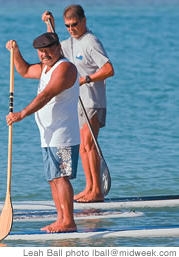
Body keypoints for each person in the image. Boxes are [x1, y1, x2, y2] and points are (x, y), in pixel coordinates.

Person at [6, 32, 80, 233]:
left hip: (64, 135)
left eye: (48, 50)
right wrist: (16, 52)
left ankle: (69, 221)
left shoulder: (64, 68)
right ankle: (61, 218)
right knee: (53, 178)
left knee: (61, 176)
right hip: (48, 135)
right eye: (41, 52)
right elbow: (23, 70)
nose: (45, 55)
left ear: (58, 48)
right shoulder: (45, 68)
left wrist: (22, 114)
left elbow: (46, 95)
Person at [42, 5, 114, 203]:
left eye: (74, 24)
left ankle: (97, 191)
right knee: (83, 146)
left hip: (93, 101)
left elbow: (109, 69)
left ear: (84, 21)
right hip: (78, 103)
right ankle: (89, 187)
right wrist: (51, 25)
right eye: (67, 26)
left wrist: (87, 79)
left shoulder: (91, 42)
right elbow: (53, 46)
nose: (71, 29)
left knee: (88, 145)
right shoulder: (70, 42)